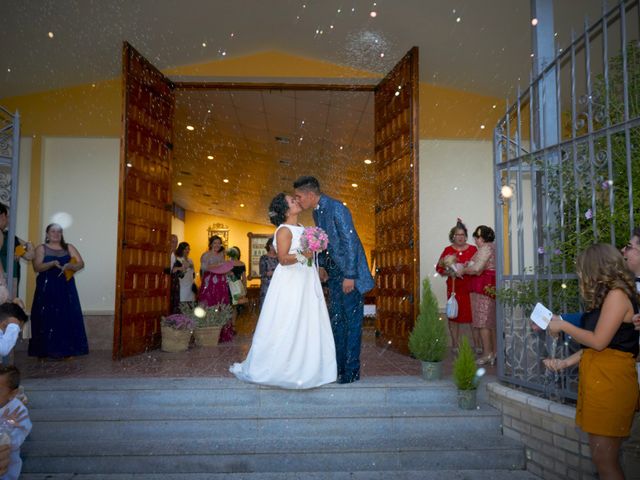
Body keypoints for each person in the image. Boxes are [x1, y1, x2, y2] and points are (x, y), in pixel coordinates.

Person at [545, 243, 639, 480]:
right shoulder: (609, 297)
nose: (581, 276)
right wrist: (565, 363)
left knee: (605, 461)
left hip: (611, 385)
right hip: (601, 381)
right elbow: (602, 346)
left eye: (582, 270)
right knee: (602, 459)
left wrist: (564, 325)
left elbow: (598, 342)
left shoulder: (617, 295)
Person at [230, 193, 336, 388]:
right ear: (284, 209)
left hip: (305, 277)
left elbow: (306, 256)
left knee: (306, 319)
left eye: (295, 199)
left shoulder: (303, 229)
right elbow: (284, 259)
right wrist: (304, 255)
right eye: (291, 200)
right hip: (291, 281)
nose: (296, 200)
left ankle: (308, 366)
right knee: (289, 319)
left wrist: (315, 259)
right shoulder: (284, 230)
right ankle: (283, 366)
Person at [294, 176, 374, 384]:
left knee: (352, 322)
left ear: (310, 194)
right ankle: (338, 367)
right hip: (335, 275)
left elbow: (350, 242)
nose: (298, 200)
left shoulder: (337, 208)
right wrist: (323, 266)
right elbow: (326, 243)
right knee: (337, 321)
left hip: (350, 275)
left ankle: (351, 371)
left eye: (299, 196)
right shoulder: (316, 211)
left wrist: (350, 275)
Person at [28, 223, 89, 359]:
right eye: (53, 231)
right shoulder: (41, 248)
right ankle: (44, 352)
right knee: (46, 317)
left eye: (59, 232)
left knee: (66, 316)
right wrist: (51, 264)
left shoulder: (69, 247)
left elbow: (81, 263)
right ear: (47, 234)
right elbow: (37, 267)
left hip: (66, 287)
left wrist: (71, 265)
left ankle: (67, 351)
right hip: (47, 287)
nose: (56, 234)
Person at [435, 220, 478, 353]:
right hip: (454, 288)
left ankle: (477, 345)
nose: (460, 237)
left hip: (470, 287)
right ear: (453, 236)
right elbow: (439, 268)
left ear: (466, 236)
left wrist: (467, 268)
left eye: (463, 234)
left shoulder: (473, 249)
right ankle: (455, 344)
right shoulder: (448, 250)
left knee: (473, 316)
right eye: (457, 234)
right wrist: (451, 272)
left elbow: (479, 267)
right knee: (453, 315)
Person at [460, 225, 497, 366]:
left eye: (476, 238)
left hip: (483, 287)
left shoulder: (485, 248)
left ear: (480, 238)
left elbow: (477, 268)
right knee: (492, 321)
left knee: (483, 322)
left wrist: (463, 270)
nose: (475, 241)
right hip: (491, 286)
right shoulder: (494, 247)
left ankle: (488, 354)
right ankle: (495, 352)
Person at [198, 235, 234, 342]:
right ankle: (208, 333)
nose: (217, 245)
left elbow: (223, 268)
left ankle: (221, 334)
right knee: (209, 304)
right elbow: (204, 268)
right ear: (211, 244)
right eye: (215, 243)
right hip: (210, 283)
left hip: (221, 282)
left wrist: (228, 270)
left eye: (219, 243)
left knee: (221, 305)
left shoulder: (222, 255)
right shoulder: (206, 255)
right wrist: (217, 265)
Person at [0, 365, 32, 480]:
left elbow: (17, 438)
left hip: (5, 463)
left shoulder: (17, 410)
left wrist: (7, 424)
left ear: (13, 393)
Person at [0, 204, 34, 297]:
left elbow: (30, 255)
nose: (8, 220)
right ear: (3, 216)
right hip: (3, 277)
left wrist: (20, 250)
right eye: (8, 217)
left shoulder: (11, 237)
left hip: (12, 276)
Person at [173, 242, 196, 306]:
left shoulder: (190, 260)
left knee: (191, 305)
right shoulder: (178, 260)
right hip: (182, 286)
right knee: (183, 305)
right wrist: (184, 268)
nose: (187, 251)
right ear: (181, 249)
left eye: (188, 249)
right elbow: (177, 274)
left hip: (190, 286)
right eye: (185, 249)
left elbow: (193, 273)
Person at [259, 237, 278, 309]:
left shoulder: (279, 258)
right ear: (270, 246)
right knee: (266, 307)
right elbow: (262, 273)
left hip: (278, 285)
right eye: (275, 245)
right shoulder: (263, 258)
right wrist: (273, 273)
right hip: (267, 287)